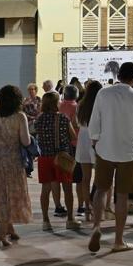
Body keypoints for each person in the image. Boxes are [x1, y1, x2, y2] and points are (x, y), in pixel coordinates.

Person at [87, 62, 133, 253]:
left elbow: (94, 122)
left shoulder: (103, 93)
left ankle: (96, 226)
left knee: (100, 190)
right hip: (128, 151)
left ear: (119, 75)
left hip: (105, 148)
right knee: (122, 196)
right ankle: (118, 240)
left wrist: (96, 140)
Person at [0, 84, 33, 248]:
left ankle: (9, 228)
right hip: (13, 160)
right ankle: (1, 233)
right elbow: (26, 141)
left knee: (1, 194)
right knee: (9, 196)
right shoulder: (20, 117)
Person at [33, 90, 78, 230]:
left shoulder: (39, 119)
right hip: (61, 158)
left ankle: (46, 221)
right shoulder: (63, 118)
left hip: (44, 158)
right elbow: (73, 136)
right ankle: (70, 219)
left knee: (45, 190)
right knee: (67, 188)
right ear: (55, 103)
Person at [74, 81, 100, 224]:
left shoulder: (81, 105)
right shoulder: (100, 104)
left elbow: (77, 123)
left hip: (83, 139)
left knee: (85, 178)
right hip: (97, 139)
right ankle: (97, 207)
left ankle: (87, 210)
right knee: (99, 178)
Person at [57, 84, 84, 216]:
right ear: (76, 95)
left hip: (62, 145)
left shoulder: (59, 106)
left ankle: (60, 206)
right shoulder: (76, 107)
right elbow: (76, 123)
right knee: (79, 177)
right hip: (75, 143)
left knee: (64, 177)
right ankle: (80, 206)